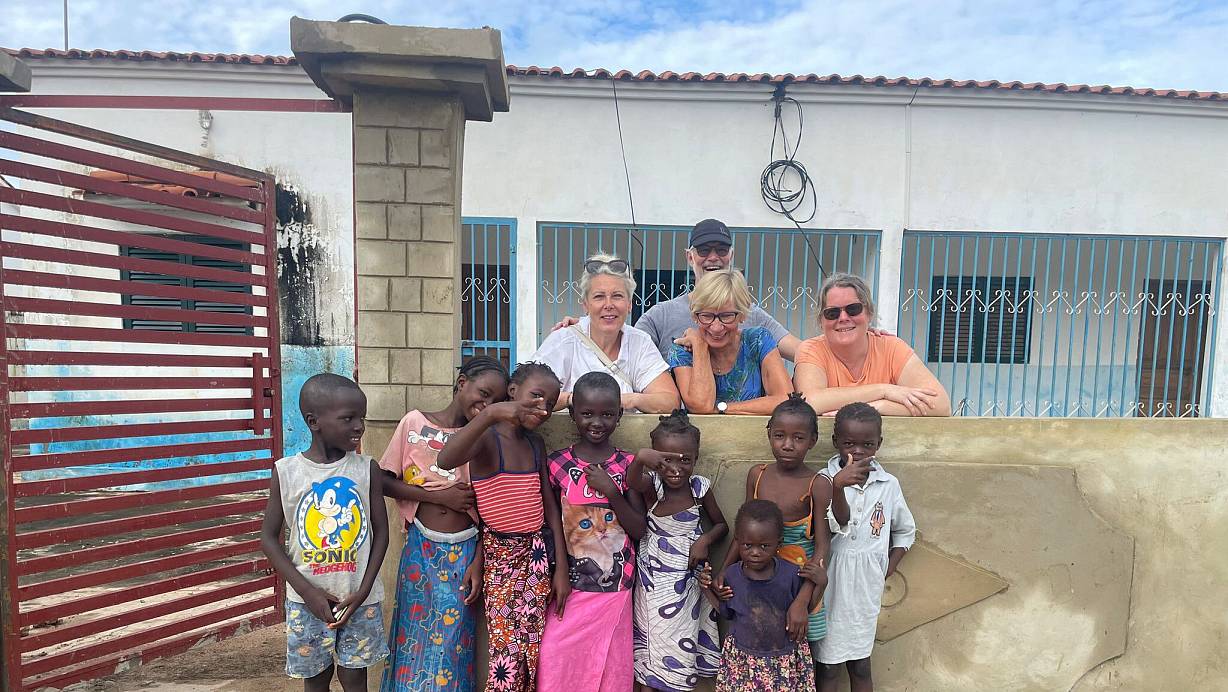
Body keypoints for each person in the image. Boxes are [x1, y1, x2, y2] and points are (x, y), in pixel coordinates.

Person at [378, 356, 511, 692]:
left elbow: (493, 509)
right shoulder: (414, 423)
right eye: (483, 393)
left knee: (455, 642)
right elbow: (382, 481)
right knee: (412, 633)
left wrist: (479, 559)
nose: (487, 404)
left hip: (465, 553)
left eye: (496, 401)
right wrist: (440, 498)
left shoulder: (485, 439)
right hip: (420, 549)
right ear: (462, 383)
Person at [434, 362, 568, 692]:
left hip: (537, 555)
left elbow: (550, 508)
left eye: (550, 403)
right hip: (501, 560)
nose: (543, 408)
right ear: (512, 394)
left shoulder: (535, 444)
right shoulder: (485, 439)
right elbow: (444, 460)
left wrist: (560, 568)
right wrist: (491, 415)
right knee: (505, 653)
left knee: (531, 648)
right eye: (536, 397)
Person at [260, 373, 389, 692]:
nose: (359, 426)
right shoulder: (287, 472)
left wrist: (362, 591)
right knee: (315, 679)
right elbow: (268, 538)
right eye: (348, 418)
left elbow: (381, 533)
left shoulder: (366, 468)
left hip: (358, 599)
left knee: (355, 677)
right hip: (308, 602)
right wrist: (308, 591)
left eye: (362, 417)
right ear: (313, 421)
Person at [537, 371, 648, 692]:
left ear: (619, 416)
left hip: (616, 586)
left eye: (606, 414)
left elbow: (639, 529)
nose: (596, 422)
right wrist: (556, 573)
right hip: (569, 585)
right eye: (587, 413)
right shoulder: (556, 463)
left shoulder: (627, 465)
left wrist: (613, 492)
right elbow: (552, 523)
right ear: (572, 415)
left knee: (611, 666)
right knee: (556, 655)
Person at [715, 393, 832, 671]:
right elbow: (742, 531)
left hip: (798, 583)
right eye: (779, 435)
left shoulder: (818, 483)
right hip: (757, 581)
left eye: (798, 438)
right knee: (757, 640)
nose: (787, 445)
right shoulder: (758, 474)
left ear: (812, 441)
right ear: (769, 434)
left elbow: (823, 546)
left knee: (800, 650)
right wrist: (724, 568)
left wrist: (803, 601)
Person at [817, 403, 916, 692]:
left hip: (866, 587)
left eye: (867, 444)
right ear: (836, 442)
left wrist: (889, 566)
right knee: (828, 665)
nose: (857, 451)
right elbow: (839, 523)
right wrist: (838, 486)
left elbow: (905, 530)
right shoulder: (824, 480)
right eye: (849, 444)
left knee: (861, 663)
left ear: (878, 444)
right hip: (832, 582)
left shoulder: (888, 484)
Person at [628, 410, 728, 692]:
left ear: (696, 457)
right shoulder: (655, 486)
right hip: (654, 582)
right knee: (652, 641)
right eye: (666, 459)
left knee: (682, 639)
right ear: (655, 456)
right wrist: (639, 460)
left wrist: (704, 540)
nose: (676, 467)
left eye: (686, 460)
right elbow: (632, 482)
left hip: (688, 580)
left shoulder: (699, 488)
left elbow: (722, 525)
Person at [531, 252, 679, 413]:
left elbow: (669, 401)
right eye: (599, 296)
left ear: (629, 304)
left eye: (617, 296)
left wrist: (628, 399)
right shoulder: (564, 340)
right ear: (585, 305)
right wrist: (573, 399)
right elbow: (532, 396)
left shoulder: (639, 342)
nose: (608, 305)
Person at [636, 218, 800, 361]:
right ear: (690, 257)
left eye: (721, 250)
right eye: (704, 250)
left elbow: (802, 353)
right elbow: (630, 355)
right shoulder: (660, 317)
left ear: (731, 255)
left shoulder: (751, 314)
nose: (713, 257)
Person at [794, 273, 951, 417]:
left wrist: (878, 407)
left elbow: (941, 405)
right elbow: (810, 402)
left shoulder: (892, 348)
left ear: (869, 313)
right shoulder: (812, 350)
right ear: (821, 321)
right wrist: (884, 390)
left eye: (853, 309)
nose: (843, 318)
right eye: (832, 313)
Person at [698, 500, 817, 690]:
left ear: (779, 543)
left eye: (764, 546)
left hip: (782, 662)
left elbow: (807, 608)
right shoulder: (732, 575)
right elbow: (726, 612)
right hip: (744, 662)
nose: (755, 552)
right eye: (747, 545)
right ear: (738, 541)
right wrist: (705, 587)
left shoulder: (791, 574)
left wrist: (822, 583)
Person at [669, 269, 793, 415]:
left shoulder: (758, 341)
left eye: (727, 316)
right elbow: (701, 405)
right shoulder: (682, 351)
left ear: (742, 315)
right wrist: (700, 347)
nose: (716, 327)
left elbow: (786, 401)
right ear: (695, 316)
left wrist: (723, 408)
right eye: (707, 316)